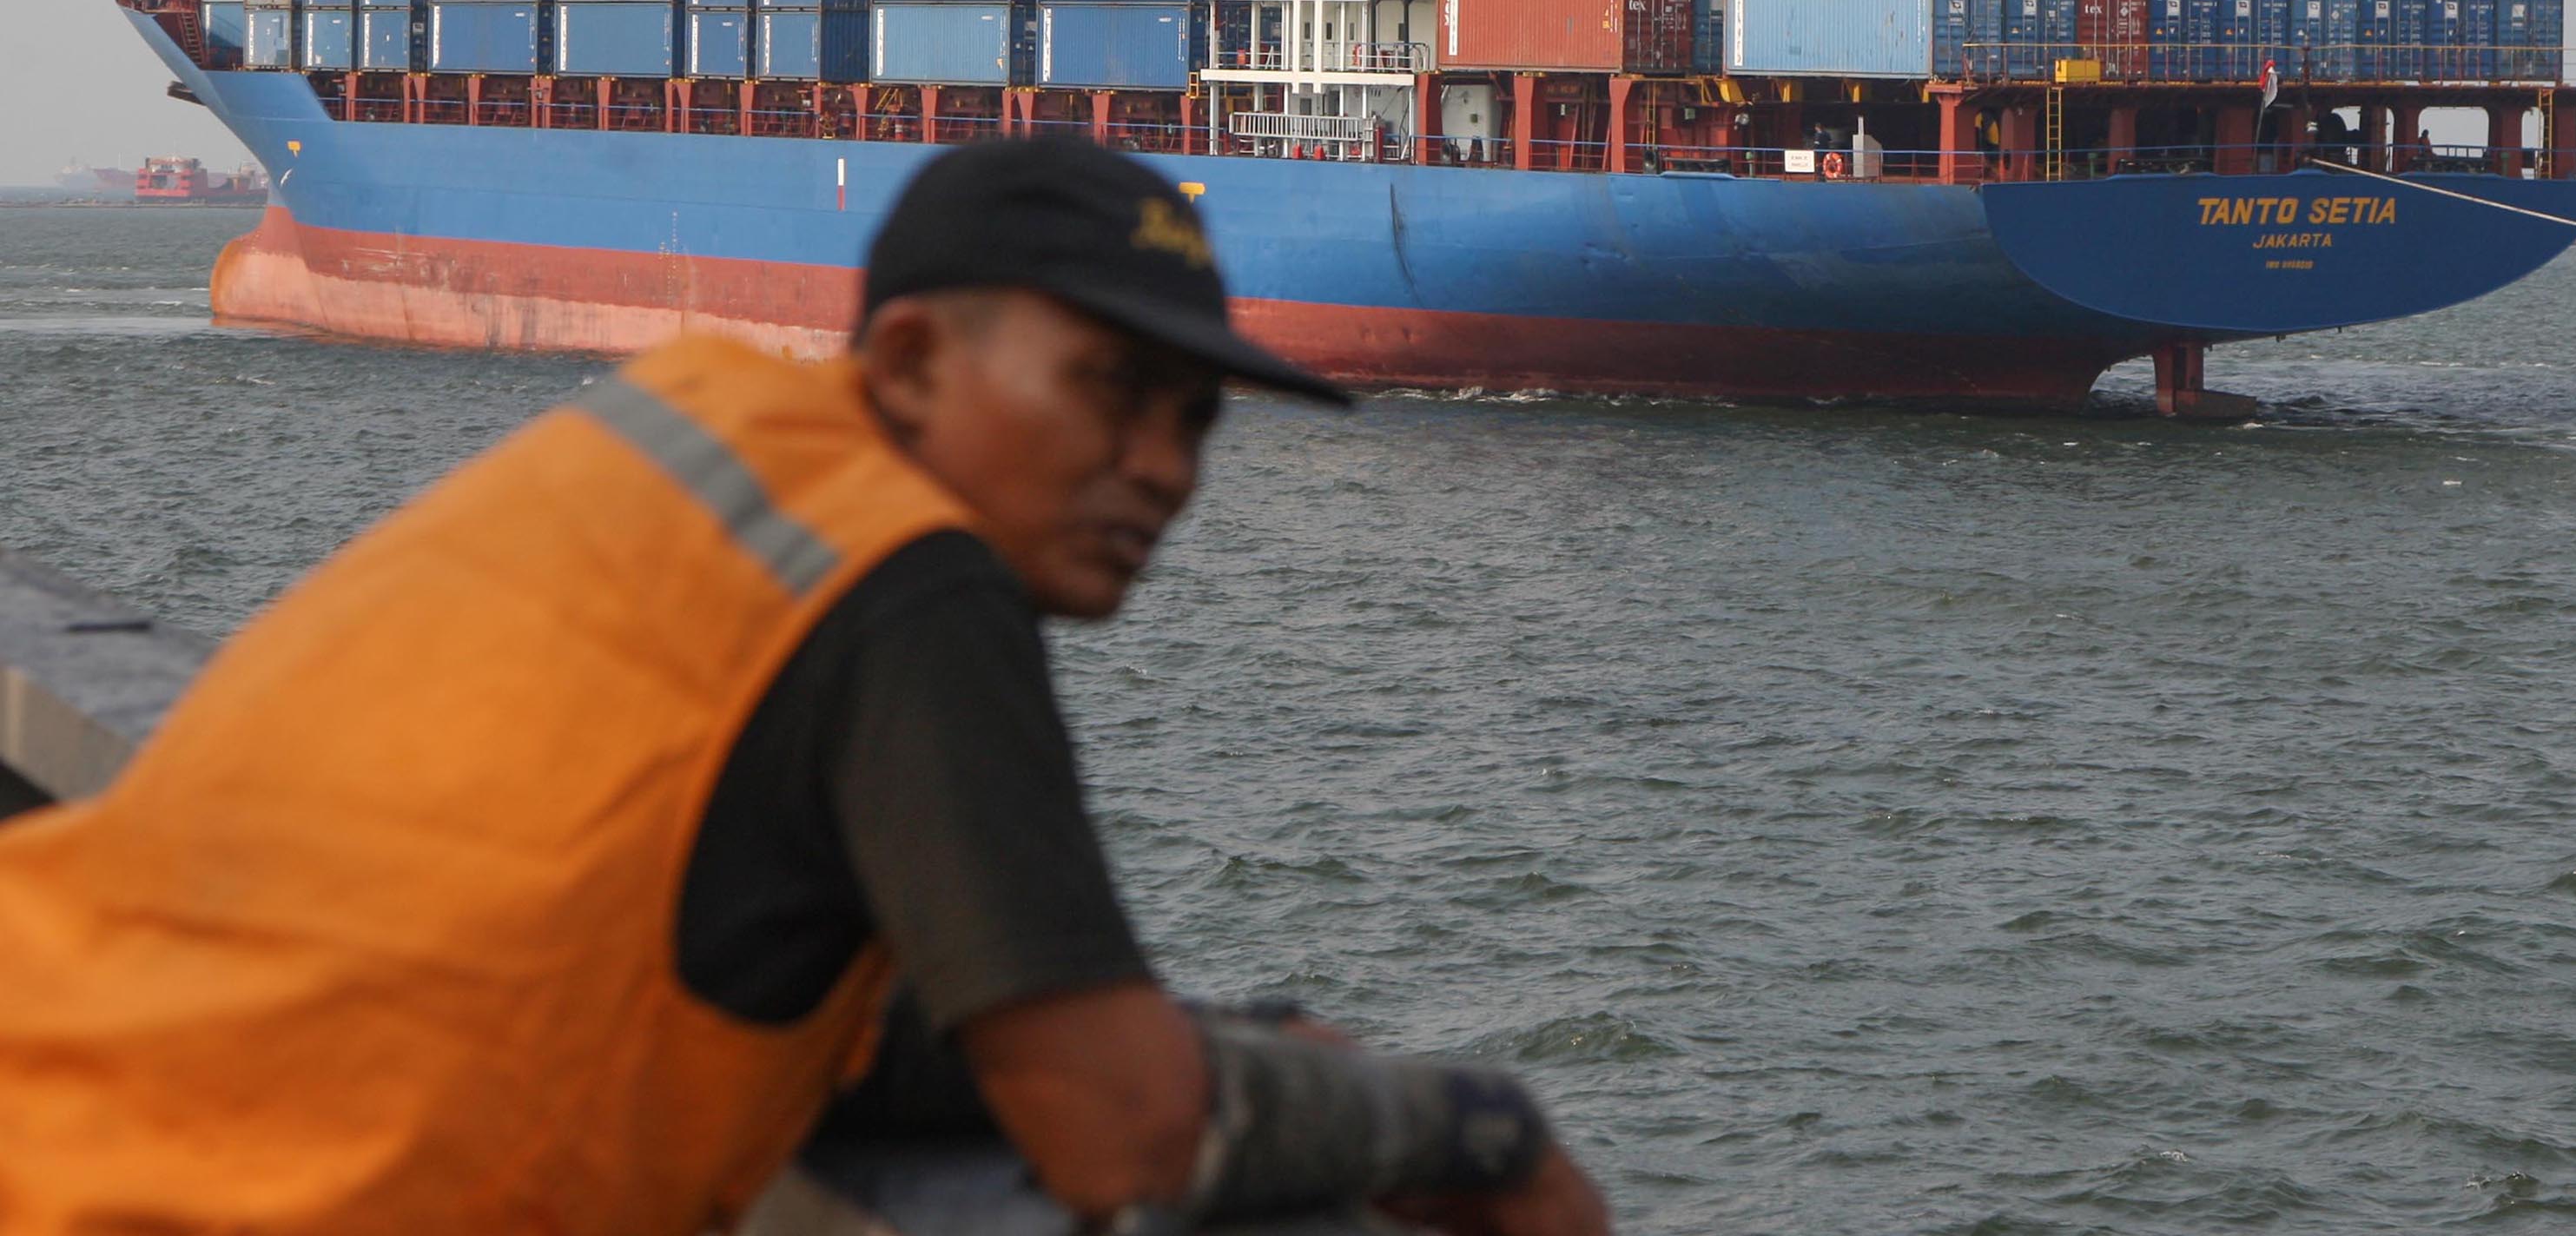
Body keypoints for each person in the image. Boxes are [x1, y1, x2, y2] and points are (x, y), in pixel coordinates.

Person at [0, 137, 1609, 1236]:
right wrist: (1472, 1128)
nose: (1162, 467)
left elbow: (738, 955)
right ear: (907, 362)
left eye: (1196, 418)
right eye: (1111, 389)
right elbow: (1115, 1131)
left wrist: (1218, 1045)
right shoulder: (906, 576)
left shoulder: (674, 447)